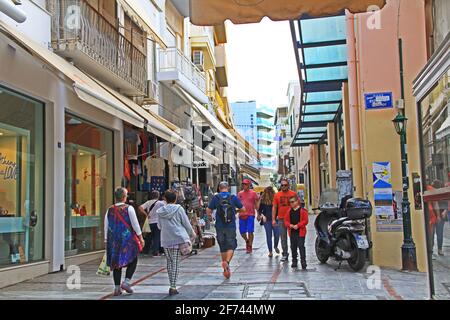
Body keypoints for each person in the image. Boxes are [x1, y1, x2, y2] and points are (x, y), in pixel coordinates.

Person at [105, 187, 145, 296]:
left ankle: (117, 288)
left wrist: (106, 240)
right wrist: (140, 238)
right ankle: (127, 282)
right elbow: (135, 224)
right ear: (123, 197)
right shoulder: (129, 208)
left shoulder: (110, 209)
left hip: (113, 240)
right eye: (126, 195)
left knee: (116, 263)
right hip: (128, 240)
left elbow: (106, 226)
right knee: (133, 259)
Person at [156, 190, 196, 296]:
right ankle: (173, 286)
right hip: (177, 238)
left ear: (165, 199)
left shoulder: (160, 211)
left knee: (169, 262)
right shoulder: (179, 209)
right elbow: (186, 223)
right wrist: (192, 234)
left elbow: (159, 226)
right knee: (176, 263)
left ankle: (172, 284)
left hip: (165, 238)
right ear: (175, 199)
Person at [207, 181, 245, 279]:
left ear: (219, 188)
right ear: (227, 188)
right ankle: (227, 262)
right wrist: (235, 211)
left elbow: (209, 210)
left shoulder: (216, 198)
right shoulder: (233, 197)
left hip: (219, 226)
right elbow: (243, 209)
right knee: (231, 245)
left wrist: (210, 218)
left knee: (223, 246)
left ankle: (225, 270)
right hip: (230, 226)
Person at [272, 178, 298, 262]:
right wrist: (273, 219)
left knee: (293, 237)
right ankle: (285, 253)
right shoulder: (277, 195)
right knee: (283, 237)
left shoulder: (293, 194)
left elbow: (297, 205)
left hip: (292, 219)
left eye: (285, 185)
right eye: (282, 185)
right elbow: (274, 207)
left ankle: (294, 252)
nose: (283, 186)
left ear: (288, 185)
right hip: (281, 219)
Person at [139, 191, 165, 256]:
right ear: (158, 196)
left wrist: (146, 214)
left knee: (148, 237)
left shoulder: (148, 202)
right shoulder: (161, 203)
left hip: (150, 222)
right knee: (157, 237)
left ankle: (146, 251)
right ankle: (155, 251)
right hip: (158, 222)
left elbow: (140, 207)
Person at [285, 196, 309, 269]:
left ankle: (303, 261)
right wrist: (290, 225)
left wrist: (298, 225)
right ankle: (294, 261)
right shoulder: (289, 211)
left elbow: (306, 221)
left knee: (301, 246)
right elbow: (286, 221)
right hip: (292, 232)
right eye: (290, 202)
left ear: (297, 202)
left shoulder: (303, 211)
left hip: (300, 232)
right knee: (293, 247)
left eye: (292, 202)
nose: (291, 204)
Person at [237, 179, 260, 253]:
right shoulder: (240, 193)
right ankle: (247, 241)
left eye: (246, 184)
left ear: (249, 185)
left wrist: (258, 214)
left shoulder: (253, 193)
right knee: (242, 231)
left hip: (250, 214)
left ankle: (250, 245)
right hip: (241, 214)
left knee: (250, 231)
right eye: (243, 184)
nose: (244, 185)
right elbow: (237, 204)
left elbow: (257, 204)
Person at [258, 186, 279, 257]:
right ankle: (270, 251)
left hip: (275, 219)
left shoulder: (276, 200)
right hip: (267, 220)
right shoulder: (263, 200)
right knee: (269, 236)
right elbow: (260, 210)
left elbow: (278, 209)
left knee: (276, 235)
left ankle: (275, 246)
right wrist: (262, 216)